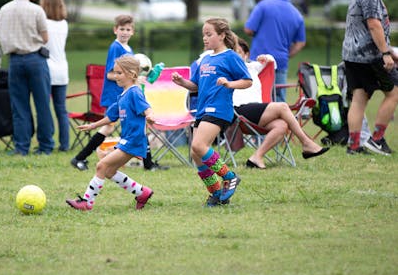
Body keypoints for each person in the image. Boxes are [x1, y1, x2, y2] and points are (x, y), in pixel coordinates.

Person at [70, 15, 166, 171]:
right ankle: (79, 158)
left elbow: (128, 72)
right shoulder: (116, 48)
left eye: (128, 29)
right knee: (109, 127)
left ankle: (148, 164)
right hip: (115, 95)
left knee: (138, 125)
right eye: (122, 29)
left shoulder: (129, 49)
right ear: (115, 30)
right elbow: (110, 74)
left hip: (126, 95)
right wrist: (131, 79)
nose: (125, 32)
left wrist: (137, 78)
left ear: (133, 32)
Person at [172, 18, 251, 207]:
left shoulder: (231, 56)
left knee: (199, 145)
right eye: (203, 35)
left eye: (209, 34)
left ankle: (229, 177)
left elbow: (247, 81)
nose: (205, 39)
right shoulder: (205, 59)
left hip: (219, 109)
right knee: (196, 153)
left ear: (222, 35)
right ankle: (216, 193)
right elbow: (196, 86)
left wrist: (229, 83)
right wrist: (182, 82)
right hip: (202, 109)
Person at [66, 55, 154, 211]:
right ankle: (142, 193)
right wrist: (92, 125)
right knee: (109, 171)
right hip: (126, 140)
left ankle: (87, 202)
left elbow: (147, 108)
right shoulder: (122, 95)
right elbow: (110, 117)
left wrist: (149, 115)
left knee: (102, 166)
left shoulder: (135, 93)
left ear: (132, 74)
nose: (115, 76)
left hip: (134, 141)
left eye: (119, 73)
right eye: (115, 72)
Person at [234, 38, 329, 169]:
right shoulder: (228, 69)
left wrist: (265, 57)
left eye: (238, 52)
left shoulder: (252, 67)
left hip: (257, 114)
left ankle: (256, 157)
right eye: (232, 53)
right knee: (282, 106)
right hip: (239, 112)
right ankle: (306, 142)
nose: (236, 56)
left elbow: (272, 63)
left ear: (246, 55)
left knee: (282, 125)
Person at [342, 0, 398, 156]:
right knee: (394, 92)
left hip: (352, 56)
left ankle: (354, 145)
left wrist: (389, 51)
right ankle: (377, 139)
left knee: (359, 99)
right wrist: (385, 53)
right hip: (369, 56)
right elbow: (374, 25)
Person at [0, 0, 55, 155]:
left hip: (15, 61)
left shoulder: (4, 10)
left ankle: (21, 147)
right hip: (35, 60)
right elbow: (45, 37)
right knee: (42, 104)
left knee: (19, 106)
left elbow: (1, 35)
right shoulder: (36, 10)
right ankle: (45, 146)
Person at [244, 0, 306, 102]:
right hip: (281, 62)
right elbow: (300, 42)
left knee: (256, 96)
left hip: (258, 61)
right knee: (278, 99)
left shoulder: (263, 6)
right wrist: (287, 54)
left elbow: (248, 29)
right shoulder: (296, 13)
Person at [39, 0, 70, 152]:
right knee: (61, 110)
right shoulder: (64, 24)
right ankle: (65, 144)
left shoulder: (44, 24)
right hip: (62, 69)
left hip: (47, 69)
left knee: (45, 107)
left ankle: (48, 140)